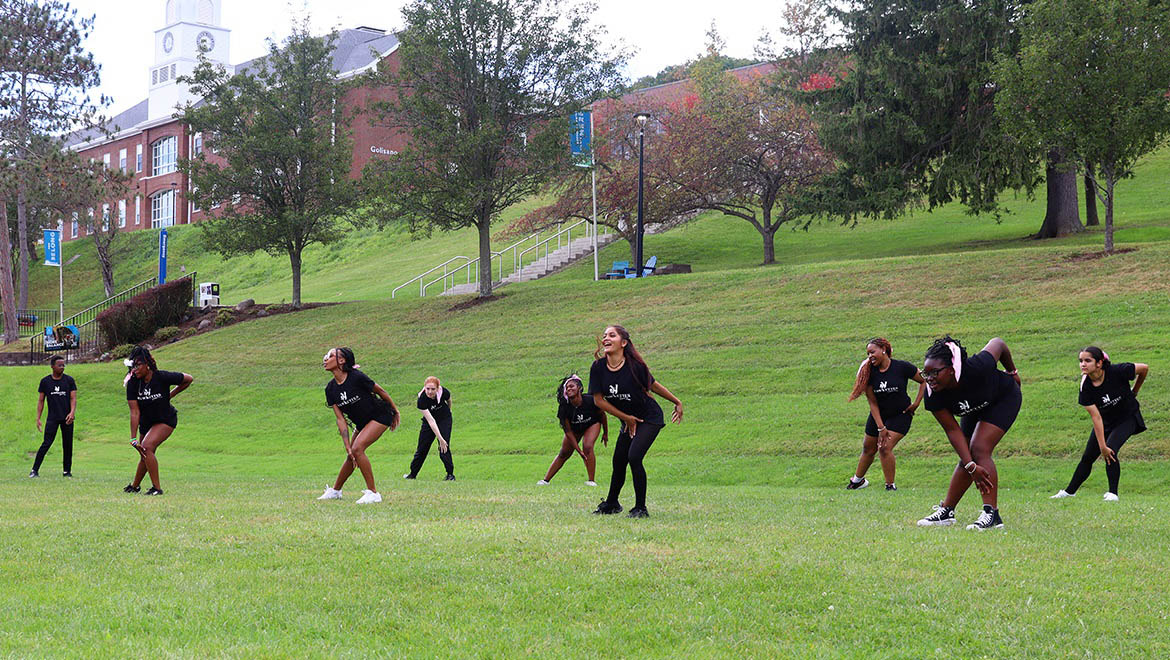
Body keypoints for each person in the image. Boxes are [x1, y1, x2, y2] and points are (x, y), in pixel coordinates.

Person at [915, 336, 1021, 531]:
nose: (929, 378)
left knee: (979, 449)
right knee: (967, 456)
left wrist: (1012, 371)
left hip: (1003, 398)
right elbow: (952, 429)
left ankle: (992, 514)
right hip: (972, 408)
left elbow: (998, 343)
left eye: (935, 372)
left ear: (952, 368)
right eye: (925, 373)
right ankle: (947, 511)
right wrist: (971, 466)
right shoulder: (932, 393)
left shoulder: (978, 367)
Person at [588, 325, 683, 518]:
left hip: (649, 417)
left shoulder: (635, 366)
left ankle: (641, 508)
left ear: (623, 343)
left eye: (612, 335)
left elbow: (653, 386)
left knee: (634, 456)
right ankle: (612, 503)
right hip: (629, 419)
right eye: (605, 335)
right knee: (618, 460)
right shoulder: (598, 367)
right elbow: (598, 400)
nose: (606, 338)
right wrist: (626, 419)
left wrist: (677, 402)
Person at [1051, 347, 1148, 501]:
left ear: (1099, 363)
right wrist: (1101, 446)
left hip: (1128, 418)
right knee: (1088, 457)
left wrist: (1134, 391)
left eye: (1087, 360)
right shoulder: (1086, 387)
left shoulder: (1118, 371)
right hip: (1106, 421)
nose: (1083, 364)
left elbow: (1144, 368)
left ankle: (1113, 494)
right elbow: (1096, 418)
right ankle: (1069, 492)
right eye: (1081, 361)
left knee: (1111, 450)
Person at [317, 347, 400, 503]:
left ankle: (373, 493)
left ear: (341, 361)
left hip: (380, 415)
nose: (326, 360)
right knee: (351, 454)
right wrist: (347, 445)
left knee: (358, 449)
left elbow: (381, 391)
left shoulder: (356, 377)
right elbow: (340, 419)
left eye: (330, 356)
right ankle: (335, 491)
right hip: (362, 422)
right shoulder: (330, 389)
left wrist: (395, 411)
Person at [845, 338, 925, 491]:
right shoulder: (868, 372)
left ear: (883, 349)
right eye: (868, 353)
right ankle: (858, 481)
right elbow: (872, 403)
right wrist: (881, 427)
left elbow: (924, 381)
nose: (870, 356)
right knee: (868, 449)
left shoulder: (902, 367)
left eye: (872, 352)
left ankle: (890, 486)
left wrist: (916, 403)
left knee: (884, 447)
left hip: (900, 415)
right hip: (878, 415)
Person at [123, 346, 193, 496]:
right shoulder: (133, 383)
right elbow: (134, 411)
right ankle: (135, 486)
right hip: (146, 422)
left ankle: (157, 488)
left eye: (138, 365)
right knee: (145, 453)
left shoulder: (162, 377)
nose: (134, 369)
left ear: (147, 364)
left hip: (165, 419)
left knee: (147, 447)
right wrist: (133, 437)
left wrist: (170, 395)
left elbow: (188, 379)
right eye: (132, 366)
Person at [538, 374, 608, 486]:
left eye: (572, 386)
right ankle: (545, 480)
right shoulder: (564, 407)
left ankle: (591, 481)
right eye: (567, 387)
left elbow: (602, 415)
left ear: (579, 388)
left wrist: (605, 433)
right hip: (574, 429)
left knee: (588, 447)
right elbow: (568, 431)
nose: (569, 388)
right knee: (564, 452)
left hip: (592, 423)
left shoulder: (591, 400)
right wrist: (578, 450)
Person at [31, 355, 78, 478]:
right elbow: (41, 401)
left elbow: (73, 398)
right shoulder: (45, 381)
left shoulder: (69, 380)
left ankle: (67, 471)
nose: (62, 367)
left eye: (63, 365)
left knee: (67, 444)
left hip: (67, 418)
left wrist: (72, 412)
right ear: (52, 366)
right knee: (46, 443)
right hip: (52, 418)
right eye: (59, 365)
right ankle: (34, 470)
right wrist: (38, 418)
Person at [403, 376, 455, 481]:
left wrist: (448, 413)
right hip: (429, 422)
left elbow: (449, 401)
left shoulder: (444, 392)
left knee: (444, 447)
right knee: (422, 449)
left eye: (433, 389)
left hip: (444, 420)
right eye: (427, 389)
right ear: (424, 388)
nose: (430, 392)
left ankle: (450, 475)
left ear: (438, 388)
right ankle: (412, 474)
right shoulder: (422, 399)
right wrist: (439, 438)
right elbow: (431, 421)